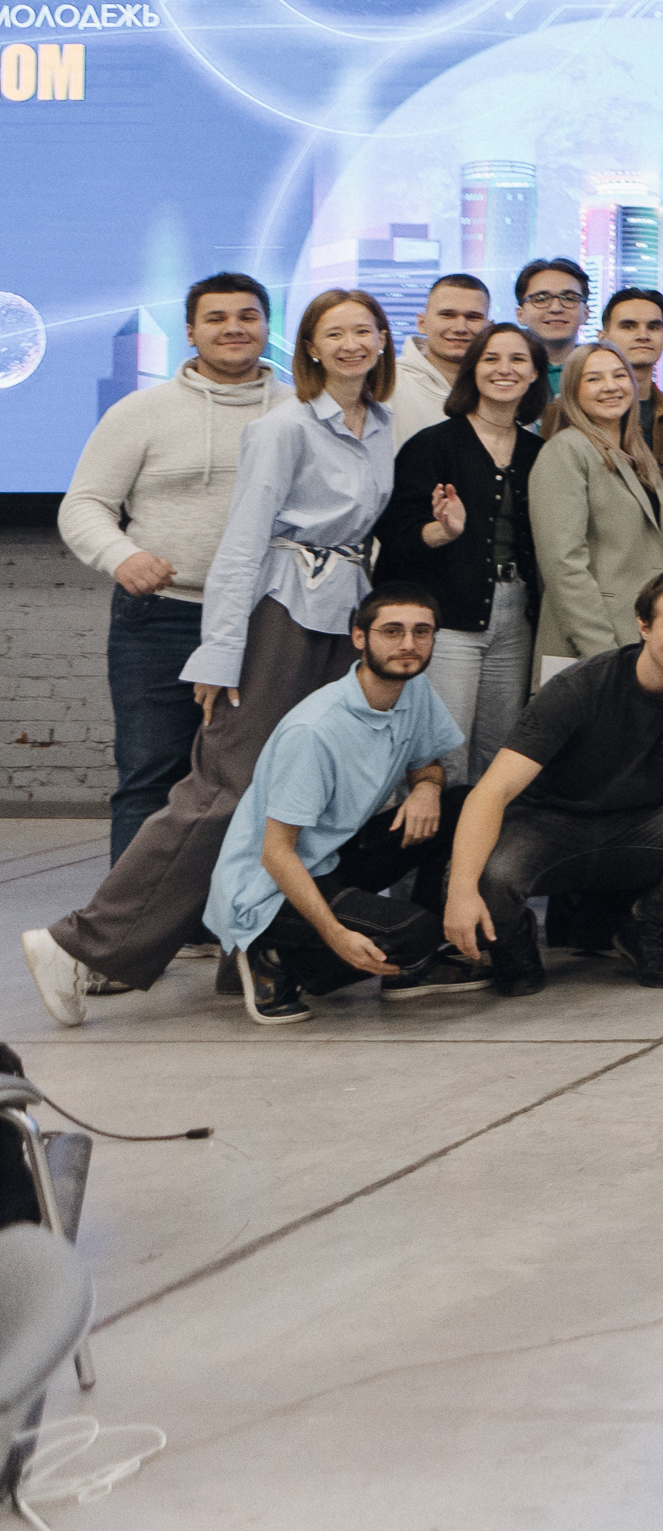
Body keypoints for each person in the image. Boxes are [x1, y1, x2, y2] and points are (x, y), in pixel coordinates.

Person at [24, 286, 418, 1027]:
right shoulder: (283, 427)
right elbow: (242, 544)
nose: (352, 344)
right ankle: (78, 945)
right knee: (226, 790)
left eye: (364, 330)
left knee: (304, 795)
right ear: (309, 346)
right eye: (334, 332)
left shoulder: (380, 422)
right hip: (280, 615)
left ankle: (256, 945)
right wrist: (220, 653)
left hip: (341, 621)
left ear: (383, 341)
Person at [438, 569, 663, 993]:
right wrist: (461, 891)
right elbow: (493, 790)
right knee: (481, 876)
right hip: (548, 824)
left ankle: (648, 926)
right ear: (644, 626)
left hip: (640, 826)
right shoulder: (582, 686)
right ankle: (512, 939)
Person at [60, 271, 275, 861]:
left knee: (256, 779)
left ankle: (225, 909)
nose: (233, 328)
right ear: (190, 332)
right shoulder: (142, 411)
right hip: (161, 618)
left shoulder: (298, 411)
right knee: (151, 776)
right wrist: (121, 556)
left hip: (266, 619)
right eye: (216, 318)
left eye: (248, 316)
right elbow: (84, 505)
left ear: (266, 325)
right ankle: (129, 917)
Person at [202, 584, 474, 1023]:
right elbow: (276, 853)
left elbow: (427, 764)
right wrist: (334, 934)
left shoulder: (413, 688)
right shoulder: (314, 731)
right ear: (360, 637)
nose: (408, 644)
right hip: (268, 888)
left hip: (331, 858)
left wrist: (426, 788)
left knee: (463, 805)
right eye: (392, 631)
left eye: (421, 632)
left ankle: (412, 962)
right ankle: (272, 953)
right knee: (412, 932)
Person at [387, 321, 548, 785]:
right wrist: (442, 532)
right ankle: (435, 834)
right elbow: (395, 535)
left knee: (501, 752)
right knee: (447, 752)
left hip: (518, 617)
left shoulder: (540, 451)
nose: (504, 369)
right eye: (491, 358)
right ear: (472, 370)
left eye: (518, 359)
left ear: (535, 374)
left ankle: (480, 834)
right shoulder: (433, 444)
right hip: (450, 615)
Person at [528, 343, 663, 703]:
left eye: (619, 375)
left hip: (640, 638)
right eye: (594, 379)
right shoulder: (566, 450)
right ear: (572, 391)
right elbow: (563, 565)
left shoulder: (637, 455)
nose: (610, 386)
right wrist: (604, 652)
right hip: (592, 643)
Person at [600, 286, 663, 479]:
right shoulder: (571, 410)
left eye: (653, 327)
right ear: (603, 338)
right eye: (628, 326)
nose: (643, 335)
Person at [390, 273, 488, 444]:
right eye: (447, 315)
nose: (460, 328)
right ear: (422, 323)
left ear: (490, 327)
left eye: (473, 317)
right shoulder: (386, 383)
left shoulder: (504, 387)